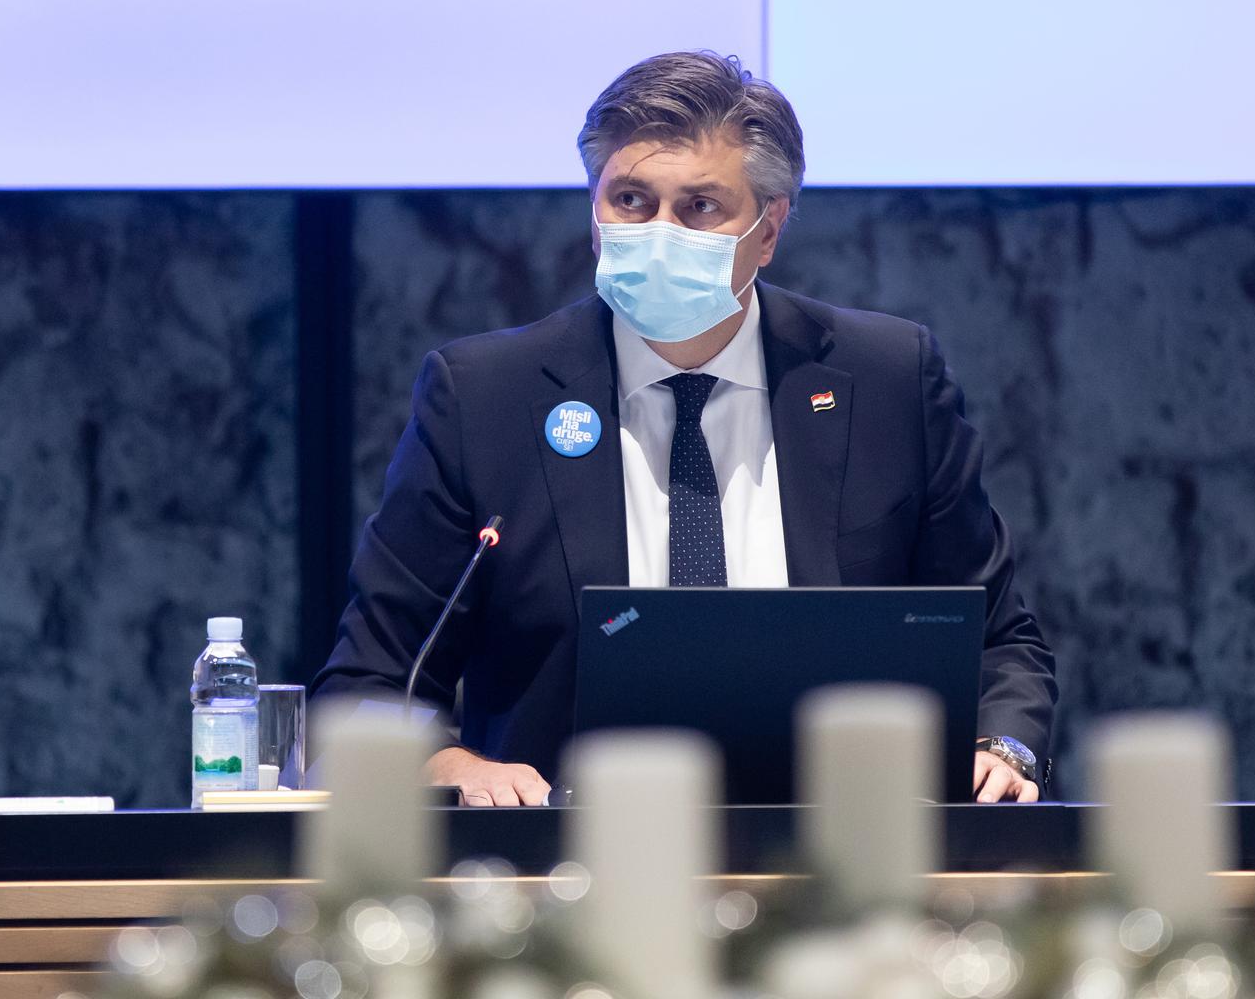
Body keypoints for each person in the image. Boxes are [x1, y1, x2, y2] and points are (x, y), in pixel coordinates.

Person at [311, 52, 1055, 805]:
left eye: (699, 207)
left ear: (768, 230)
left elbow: (998, 644)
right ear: (594, 210)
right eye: (631, 200)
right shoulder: (484, 398)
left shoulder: (887, 379)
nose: (658, 233)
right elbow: (372, 684)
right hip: (562, 851)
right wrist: (452, 769)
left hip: (847, 835)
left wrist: (1003, 748)